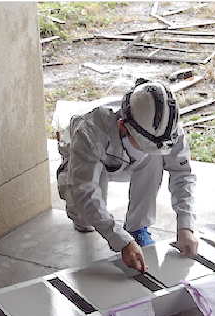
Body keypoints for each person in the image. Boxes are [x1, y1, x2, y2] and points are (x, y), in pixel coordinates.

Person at [56, 79, 200, 273]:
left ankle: (138, 227)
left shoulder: (168, 130)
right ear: (123, 126)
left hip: (128, 161)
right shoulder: (90, 130)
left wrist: (186, 226)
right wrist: (120, 240)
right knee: (86, 217)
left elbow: (183, 174)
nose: (146, 150)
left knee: (155, 157)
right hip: (89, 158)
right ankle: (79, 215)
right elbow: (84, 189)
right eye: (143, 145)